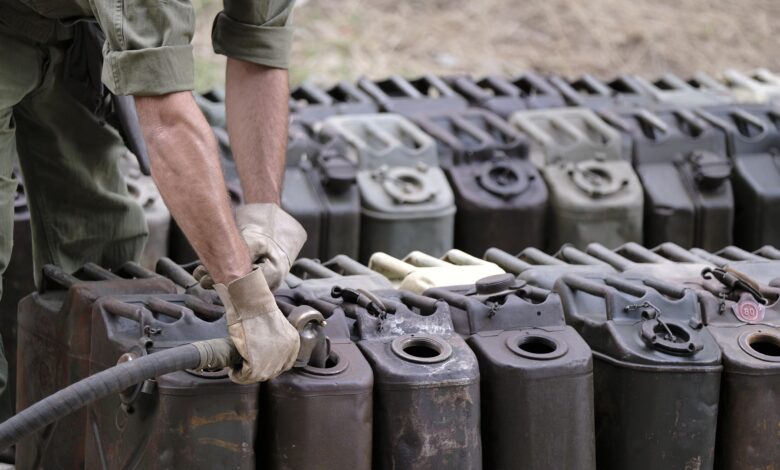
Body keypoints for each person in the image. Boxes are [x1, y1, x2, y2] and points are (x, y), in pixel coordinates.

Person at [0, 0, 306, 405]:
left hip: (72, 30)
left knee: (102, 254)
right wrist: (244, 295)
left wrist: (264, 214)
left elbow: (258, 49)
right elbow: (166, 119)